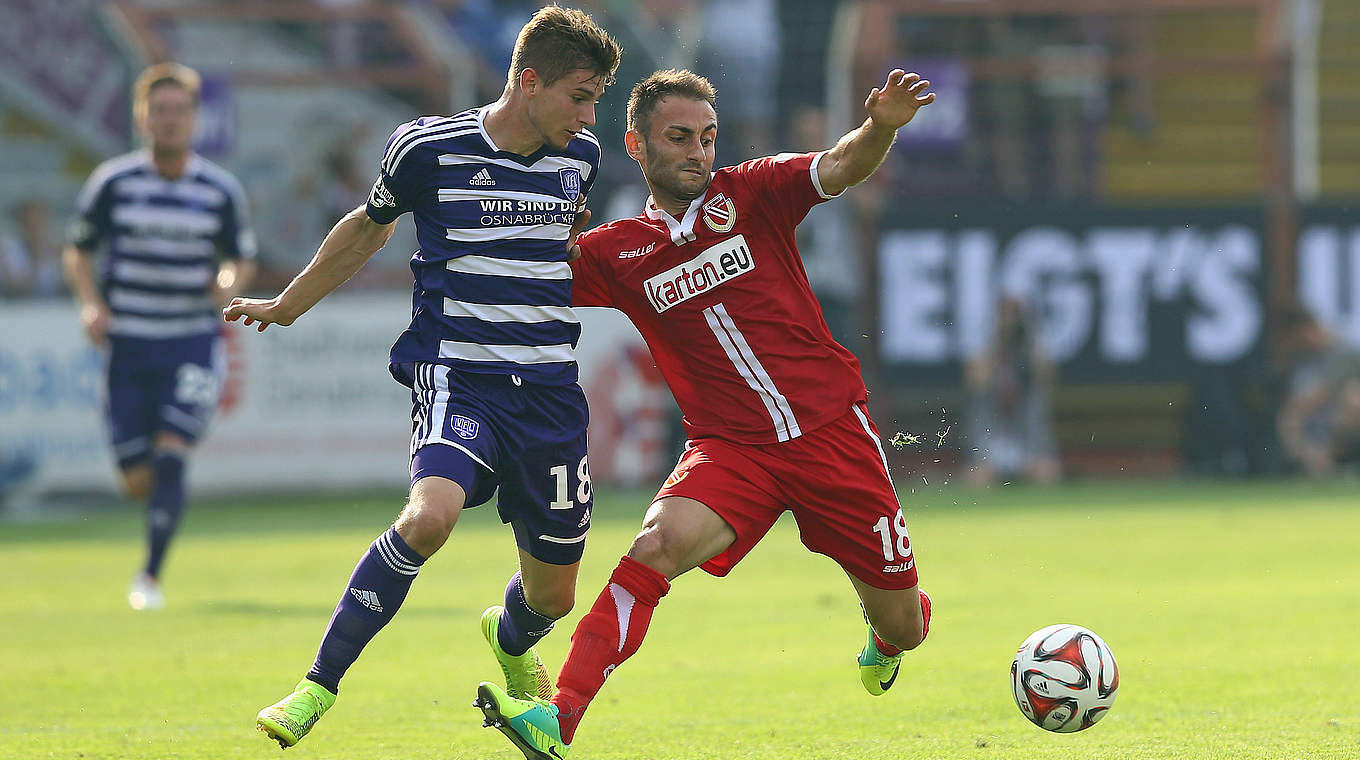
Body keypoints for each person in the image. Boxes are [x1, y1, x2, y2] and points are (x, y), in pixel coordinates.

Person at [473, 67, 936, 760]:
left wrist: (881, 126)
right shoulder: (616, 252)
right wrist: (524, 222)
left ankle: (888, 634)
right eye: (680, 137)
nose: (698, 151)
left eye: (708, 137)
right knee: (652, 549)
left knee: (906, 624)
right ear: (637, 144)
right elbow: (527, 280)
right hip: (731, 451)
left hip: (832, 433)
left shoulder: (755, 192)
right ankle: (558, 719)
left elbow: (840, 165)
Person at [223, 5, 621, 749]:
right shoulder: (428, 148)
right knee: (428, 517)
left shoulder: (581, 159)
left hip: (550, 396)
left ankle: (508, 639)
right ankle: (315, 688)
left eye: (595, 98)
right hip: (458, 378)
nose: (589, 113)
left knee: (553, 598)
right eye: (580, 94)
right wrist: (288, 304)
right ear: (528, 82)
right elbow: (366, 227)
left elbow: (563, 237)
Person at [62, 62, 257, 611]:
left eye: (180, 111)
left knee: (172, 454)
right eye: (159, 110)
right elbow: (79, 247)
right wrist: (91, 304)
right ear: (141, 118)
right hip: (128, 344)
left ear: (195, 119)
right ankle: (156, 532)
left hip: (191, 342)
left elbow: (239, 256)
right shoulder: (114, 183)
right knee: (137, 480)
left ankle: (148, 577)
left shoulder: (219, 190)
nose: (169, 121)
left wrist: (227, 286)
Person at [963, 295, 1061, 486]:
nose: (1010, 320)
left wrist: (1028, 337)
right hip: (992, 434)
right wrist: (999, 342)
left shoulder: (1031, 349)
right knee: (977, 479)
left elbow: (1048, 377)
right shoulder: (986, 349)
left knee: (1046, 475)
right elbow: (976, 381)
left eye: (1015, 314)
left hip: (1026, 434)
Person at [1277, 305, 1360, 476]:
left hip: (1337, 429)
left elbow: (1317, 397)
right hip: (1310, 428)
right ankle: (1309, 468)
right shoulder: (1300, 358)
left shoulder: (1342, 352)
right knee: (1289, 421)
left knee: (1354, 398)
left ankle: (1333, 464)